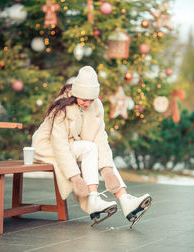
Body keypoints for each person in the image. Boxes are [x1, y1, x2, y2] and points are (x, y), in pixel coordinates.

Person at [32, 66, 152, 228]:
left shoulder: (96, 106)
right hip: (48, 147)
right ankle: (93, 200)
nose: (88, 104)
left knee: (97, 150)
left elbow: (100, 138)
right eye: (84, 100)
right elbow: (59, 145)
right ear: (76, 94)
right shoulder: (61, 107)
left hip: (74, 145)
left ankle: (125, 200)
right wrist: (75, 177)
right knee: (90, 148)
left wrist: (107, 170)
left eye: (91, 100)